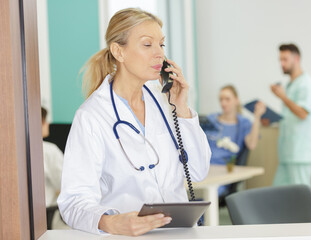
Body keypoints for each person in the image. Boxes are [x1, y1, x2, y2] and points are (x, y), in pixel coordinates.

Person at [57, 8, 211, 236]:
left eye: (162, 44)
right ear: (119, 51)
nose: (159, 54)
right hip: (127, 237)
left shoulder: (166, 102)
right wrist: (109, 222)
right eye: (148, 45)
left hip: (178, 233)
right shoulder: (92, 116)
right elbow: (74, 201)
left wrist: (182, 109)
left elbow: (198, 171)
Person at [270, 43, 311, 188]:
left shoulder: (307, 84)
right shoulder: (291, 85)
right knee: (278, 194)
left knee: (301, 197)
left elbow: (302, 113)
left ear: (296, 59)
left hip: (302, 153)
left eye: (285, 59)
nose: (281, 64)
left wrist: (282, 96)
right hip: (288, 153)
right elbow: (290, 116)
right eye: (280, 60)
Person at [205, 85, 266, 195]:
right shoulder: (211, 119)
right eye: (221, 99)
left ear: (236, 100)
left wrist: (257, 117)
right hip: (203, 169)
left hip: (223, 174)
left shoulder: (243, 124)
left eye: (227, 99)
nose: (223, 103)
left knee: (206, 193)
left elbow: (251, 145)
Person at [41, 107, 64, 228]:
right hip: (44, 214)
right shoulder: (49, 150)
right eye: (45, 121)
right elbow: (65, 183)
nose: (48, 124)